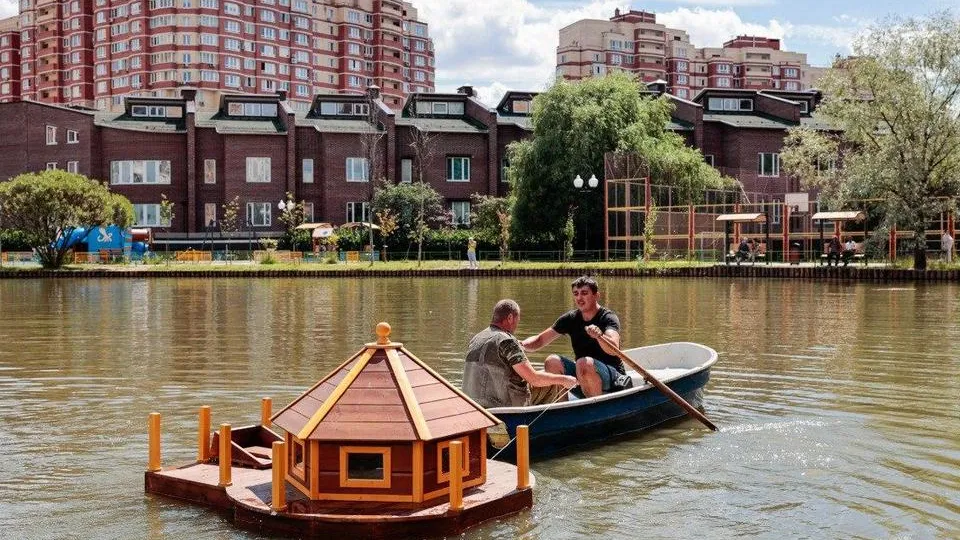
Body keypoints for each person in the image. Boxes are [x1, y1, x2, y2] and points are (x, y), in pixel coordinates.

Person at [521, 276, 632, 398]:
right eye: (576, 294)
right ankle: (563, 409)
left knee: (583, 363)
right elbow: (540, 340)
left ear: (596, 296)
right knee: (551, 361)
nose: (579, 298)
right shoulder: (570, 319)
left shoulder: (608, 317)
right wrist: (520, 345)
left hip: (611, 379)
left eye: (584, 293)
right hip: (582, 374)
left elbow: (613, 349)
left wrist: (600, 336)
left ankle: (595, 407)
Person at [462, 299, 578, 408]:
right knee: (555, 382)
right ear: (510, 317)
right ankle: (563, 417)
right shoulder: (506, 341)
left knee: (547, 375)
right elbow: (534, 379)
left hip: (474, 405)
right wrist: (564, 379)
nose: (517, 324)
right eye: (518, 320)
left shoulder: (476, 338)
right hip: (504, 405)